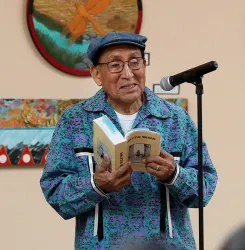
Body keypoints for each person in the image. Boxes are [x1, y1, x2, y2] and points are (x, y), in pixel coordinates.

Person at [40, 31, 218, 250]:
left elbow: (205, 189)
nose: (128, 73)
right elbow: (55, 192)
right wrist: (96, 185)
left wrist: (175, 175)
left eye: (135, 62)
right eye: (115, 65)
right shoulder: (75, 120)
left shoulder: (175, 119)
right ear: (96, 74)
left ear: (144, 65)